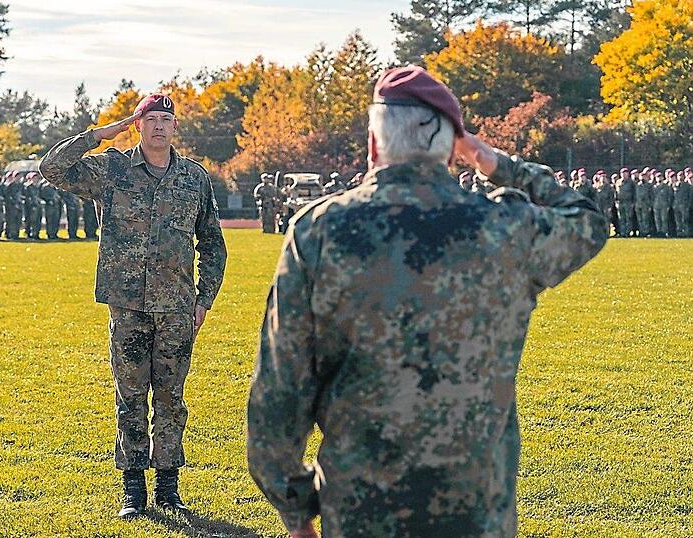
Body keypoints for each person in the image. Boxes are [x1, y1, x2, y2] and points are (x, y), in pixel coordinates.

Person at [246, 66, 607, 538]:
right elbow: (587, 219)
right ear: (452, 149)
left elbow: (280, 386)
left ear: (374, 146)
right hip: (477, 512)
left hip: (360, 510)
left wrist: (295, 508)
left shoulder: (320, 231)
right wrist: (494, 161)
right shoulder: (504, 228)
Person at [39, 93, 227, 519]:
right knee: (130, 396)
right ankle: (133, 488)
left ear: (175, 127)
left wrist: (205, 299)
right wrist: (101, 134)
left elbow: (213, 242)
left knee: (171, 397)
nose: (159, 126)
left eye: (166, 119)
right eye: (150, 119)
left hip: (177, 306)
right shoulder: (113, 169)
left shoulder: (193, 178)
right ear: (138, 125)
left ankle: (167, 487)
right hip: (127, 305)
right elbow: (51, 168)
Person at [40, 175, 62, 240]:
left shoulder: (56, 188)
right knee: (50, 221)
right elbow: (42, 196)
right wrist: (49, 200)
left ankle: (55, 233)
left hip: (57, 206)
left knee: (56, 220)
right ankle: (50, 234)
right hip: (49, 207)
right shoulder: (45, 187)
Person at [4, 172, 25, 240]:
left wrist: (22, 198)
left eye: (19, 176)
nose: (18, 178)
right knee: (11, 221)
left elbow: (24, 194)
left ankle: (16, 234)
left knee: (18, 220)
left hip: (19, 205)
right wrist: (13, 202)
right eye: (17, 176)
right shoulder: (10, 185)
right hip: (12, 206)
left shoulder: (21, 185)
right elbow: (7, 196)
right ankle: (11, 234)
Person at [22, 172, 43, 239]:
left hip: (38, 206)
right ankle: (31, 234)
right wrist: (32, 204)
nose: (35, 179)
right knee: (31, 221)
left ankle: (36, 233)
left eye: (36, 178)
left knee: (38, 220)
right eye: (34, 178)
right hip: (31, 207)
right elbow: (27, 197)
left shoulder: (39, 186)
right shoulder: (28, 187)